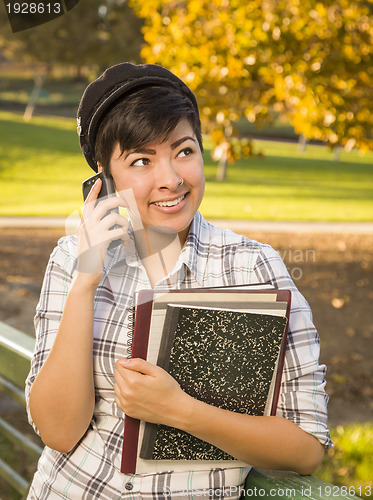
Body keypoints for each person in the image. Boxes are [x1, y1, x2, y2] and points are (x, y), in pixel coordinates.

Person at [25, 62, 332, 499]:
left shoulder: (255, 270)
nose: (170, 179)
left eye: (184, 151)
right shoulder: (72, 259)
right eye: (141, 160)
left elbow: (306, 449)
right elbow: (58, 431)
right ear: (103, 175)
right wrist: (85, 281)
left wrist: (181, 411)